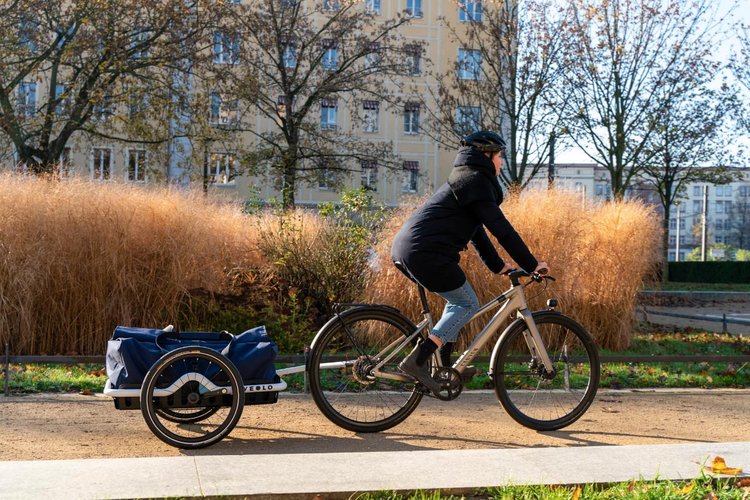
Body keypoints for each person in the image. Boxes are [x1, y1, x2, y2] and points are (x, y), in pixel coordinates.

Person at [390, 131, 549, 394]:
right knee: (466, 303)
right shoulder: (476, 181)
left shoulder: (466, 181)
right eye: (499, 157)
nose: (501, 163)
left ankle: (444, 366)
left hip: (411, 249)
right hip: (426, 252)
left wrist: (498, 266)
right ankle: (418, 360)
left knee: (456, 303)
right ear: (486, 156)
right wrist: (532, 264)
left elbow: (477, 232)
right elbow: (502, 230)